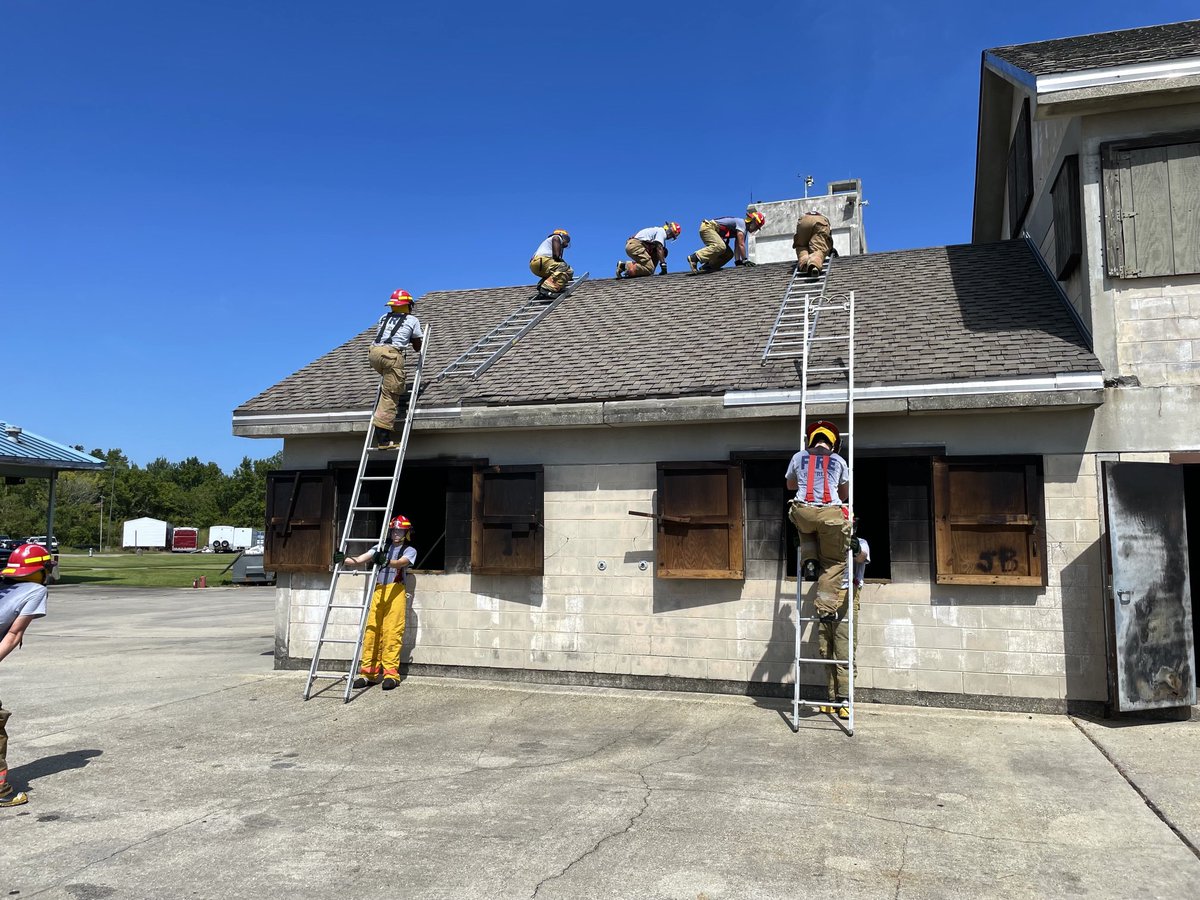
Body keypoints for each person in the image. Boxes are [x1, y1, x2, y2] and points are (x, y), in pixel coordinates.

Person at [1, 543, 53, 808]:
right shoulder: (36, 590)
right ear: (42, 570)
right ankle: (1, 791)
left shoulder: (3, 587)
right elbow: (13, 635)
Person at [785, 420, 851, 622]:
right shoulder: (839, 461)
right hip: (830, 513)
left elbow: (790, 485)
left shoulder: (798, 456)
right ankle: (826, 609)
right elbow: (845, 494)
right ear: (833, 445)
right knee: (834, 562)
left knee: (804, 524)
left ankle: (810, 560)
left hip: (804, 510)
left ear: (812, 441)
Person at [343, 516, 416, 691]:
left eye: (400, 530)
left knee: (392, 632)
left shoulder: (409, 550)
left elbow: (400, 564)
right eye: (394, 530)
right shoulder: (380, 548)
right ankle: (368, 674)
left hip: (396, 592)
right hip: (378, 591)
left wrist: (386, 561)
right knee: (372, 631)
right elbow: (360, 560)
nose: (396, 533)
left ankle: (391, 675)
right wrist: (342, 558)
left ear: (406, 533)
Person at [819, 529, 870, 720]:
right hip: (825, 595)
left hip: (847, 594)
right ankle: (832, 698)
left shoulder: (861, 541)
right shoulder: (827, 542)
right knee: (826, 647)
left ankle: (845, 700)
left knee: (844, 649)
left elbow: (862, 557)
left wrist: (854, 545)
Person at [369, 289, 424, 451]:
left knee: (388, 385)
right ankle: (383, 440)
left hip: (374, 353)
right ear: (408, 305)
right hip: (392, 356)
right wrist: (417, 341)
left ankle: (382, 433)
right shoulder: (412, 320)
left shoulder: (383, 317)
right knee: (390, 396)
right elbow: (416, 346)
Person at [687, 212, 765, 273]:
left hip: (713, 231)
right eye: (756, 226)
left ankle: (708, 267)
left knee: (728, 254)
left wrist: (738, 261)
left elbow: (738, 245)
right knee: (721, 246)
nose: (756, 229)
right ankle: (694, 258)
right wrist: (745, 259)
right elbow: (741, 245)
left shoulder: (743, 230)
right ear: (753, 221)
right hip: (708, 228)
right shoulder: (742, 224)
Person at [616, 221, 681, 279]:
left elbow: (658, 252)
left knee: (649, 269)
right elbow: (659, 248)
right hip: (635, 245)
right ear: (668, 228)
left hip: (633, 245)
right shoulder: (661, 232)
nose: (670, 236)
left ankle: (630, 271)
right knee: (650, 267)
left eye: (672, 236)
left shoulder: (657, 235)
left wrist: (652, 270)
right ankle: (624, 266)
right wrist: (663, 265)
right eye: (671, 234)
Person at [530, 229, 574, 295]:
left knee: (555, 272)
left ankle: (541, 285)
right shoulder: (557, 237)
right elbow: (556, 256)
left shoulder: (546, 244)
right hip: (542, 261)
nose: (567, 243)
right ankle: (547, 288)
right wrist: (567, 275)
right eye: (567, 239)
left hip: (535, 266)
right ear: (562, 235)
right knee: (567, 269)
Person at [793, 210, 832, 277]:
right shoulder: (825, 220)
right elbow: (828, 239)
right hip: (820, 221)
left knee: (801, 246)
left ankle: (804, 263)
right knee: (818, 249)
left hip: (803, 221)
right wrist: (830, 249)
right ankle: (814, 265)